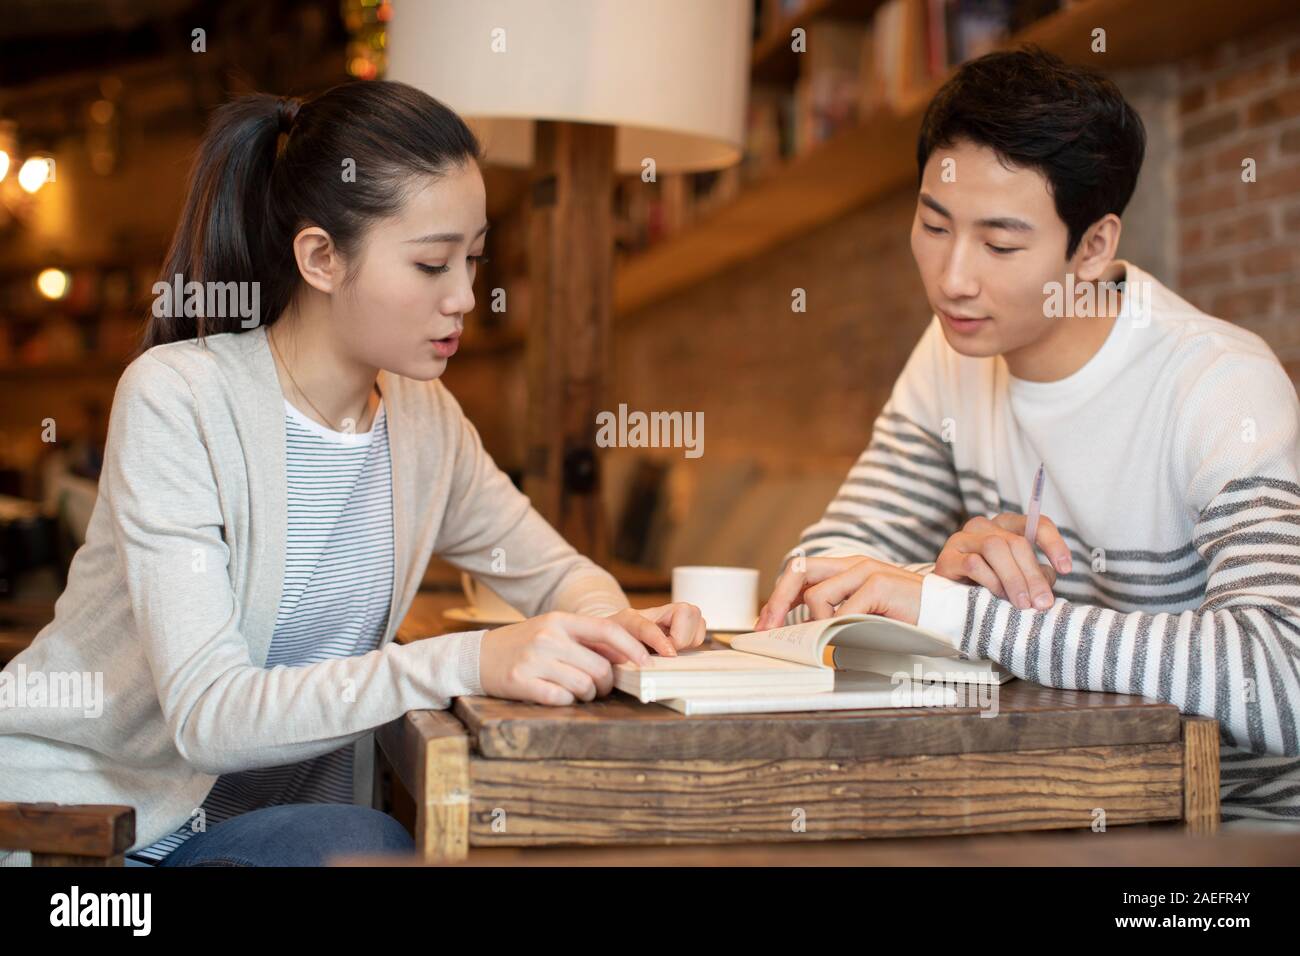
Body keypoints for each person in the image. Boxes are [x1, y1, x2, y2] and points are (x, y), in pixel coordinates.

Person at [0, 80, 705, 867]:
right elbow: (209, 716)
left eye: (473, 259)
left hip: (267, 838)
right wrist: (470, 660)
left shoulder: (425, 422)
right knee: (372, 846)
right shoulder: (179, 399)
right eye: (432, 263)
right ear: (321, 258)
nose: (464, 297)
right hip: (85, 837)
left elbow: (560, 575)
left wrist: (615, 631)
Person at [756, 48, 1300, 828]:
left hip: (1233, 831)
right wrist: (935, 581)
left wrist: (961, 616)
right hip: (1045, 802)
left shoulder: (1218, 384)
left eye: (1001, 246)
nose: (952, 279)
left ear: (1093, 247)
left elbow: (1282, 677)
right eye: (933, 225)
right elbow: (809, 580)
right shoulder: (952, 351)